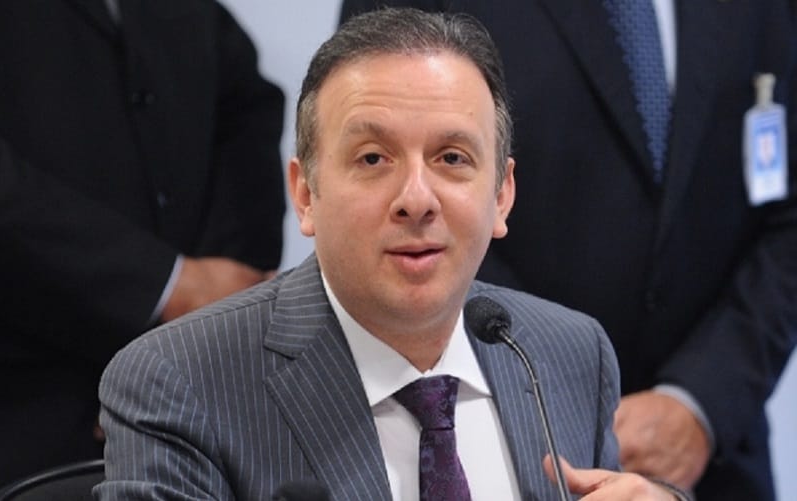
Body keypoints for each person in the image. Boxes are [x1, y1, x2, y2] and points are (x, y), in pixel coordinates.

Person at [95, 8, 690, 500]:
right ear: (305, 193)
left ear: (501, 196)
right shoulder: (179, 381)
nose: (416, 200)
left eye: (452, 158)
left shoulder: (571, 354)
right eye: (373, 158)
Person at [337, 1, 797, 500]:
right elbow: (383, 187)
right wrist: (557, 391)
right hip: (489, 441)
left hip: (712, 459)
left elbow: (786, 219)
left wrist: (701, 400)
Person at [0, 0, 285, 486]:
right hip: (27, 396)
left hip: (189, 401)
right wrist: (166, 286)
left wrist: (212, 318)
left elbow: (243, 108)